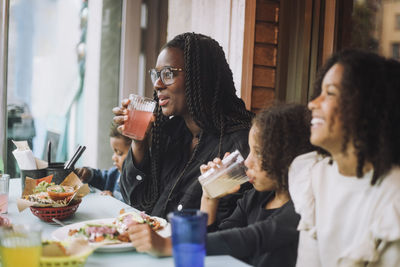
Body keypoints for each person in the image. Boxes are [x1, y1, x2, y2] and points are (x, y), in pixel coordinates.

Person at [127, 104, 314, 267]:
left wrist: (170, 246)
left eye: (259, 153)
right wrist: (209, 197)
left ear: (287, 157)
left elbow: (250, 238)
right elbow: (217, 244)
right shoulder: (254, 198)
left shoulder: (302, 209)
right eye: (250, 152)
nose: (247, 162)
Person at [113, 33, 253, 221]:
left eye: (168, 74)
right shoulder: (171, 135)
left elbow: (227, 225)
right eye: (156, 75)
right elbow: (136, 202)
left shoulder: (238, 146)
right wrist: (139, 143)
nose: (157, 84)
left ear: (200, 77)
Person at [289, 50, 400, 266]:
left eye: (330, 93)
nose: (312, 103)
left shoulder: (393, 199)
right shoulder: (315, 176)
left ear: (367, 107)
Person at [75, 123, 131, 202]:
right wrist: (89, 174)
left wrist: (114, 202)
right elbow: (102, 178)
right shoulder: (115, 174)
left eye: (119, 153)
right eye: (114, 152)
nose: (113, 157)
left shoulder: (142, 187)